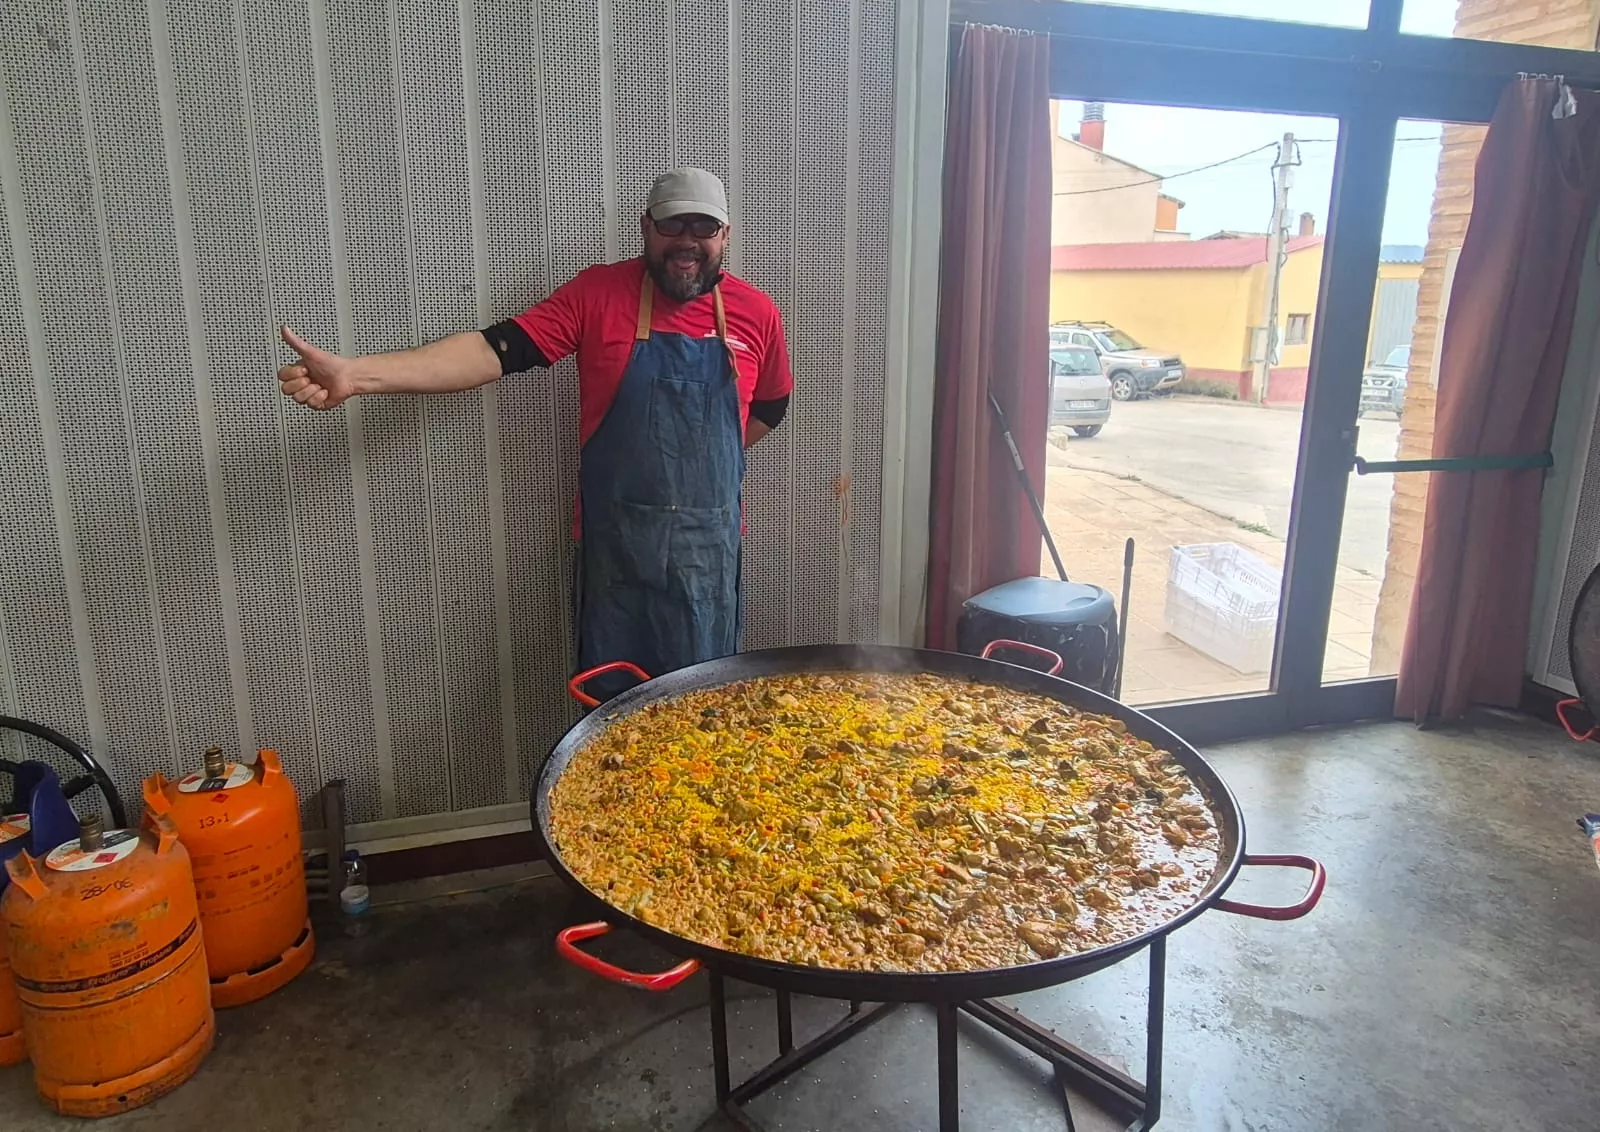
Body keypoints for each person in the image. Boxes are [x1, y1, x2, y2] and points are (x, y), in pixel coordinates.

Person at [276, 168, 792, 697]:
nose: (687, 241)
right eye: (672, 224)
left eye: (703, 228)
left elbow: (771, 405)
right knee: (615, 716)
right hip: (616, 554)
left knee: (703, 713)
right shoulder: (598, 293)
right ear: (646, 227)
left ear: (725, 235)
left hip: (706, 557)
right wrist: (357, 375)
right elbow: (492, 350)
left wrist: (698, 462)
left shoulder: (757, 313)